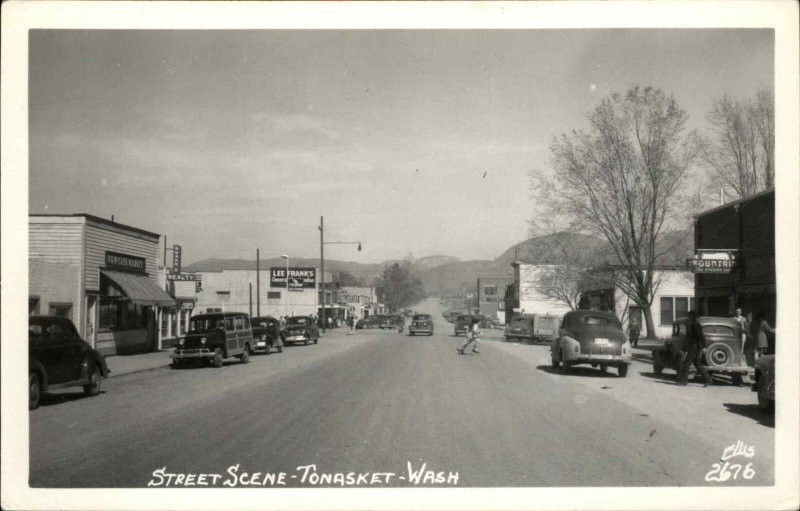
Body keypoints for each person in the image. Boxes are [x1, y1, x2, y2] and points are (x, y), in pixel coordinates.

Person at [677, 310, 712, 386]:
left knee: (687, 363)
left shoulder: (695, 324)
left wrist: (704, 346)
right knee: (697, 363)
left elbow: (701, 336)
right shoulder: (690, 324)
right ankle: (708, 380)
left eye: (689, 315)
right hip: (693, 346)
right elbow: (688, 337)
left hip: (694, 346)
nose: (688, 317)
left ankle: (684, 381)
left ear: (693, 316)